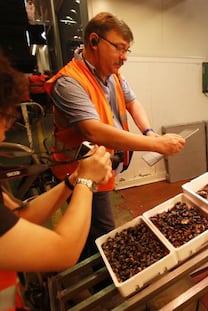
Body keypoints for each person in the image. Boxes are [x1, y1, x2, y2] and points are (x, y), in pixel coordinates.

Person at [45, 12, 186, 260]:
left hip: (102, 167)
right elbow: (93, 130)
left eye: (127, 50)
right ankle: (102, 282)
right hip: (79, 171)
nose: (124, 57)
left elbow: (133, 103)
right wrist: (155, 145)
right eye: (119, 48)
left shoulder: (112, 75)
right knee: (103, 232)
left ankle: (92, 261)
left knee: (90, 227)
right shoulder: (69, 82)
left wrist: (150, 133)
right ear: (94, 41)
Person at [0, 52, 113, 310]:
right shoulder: (69, 80)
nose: (6, 131)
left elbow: (20, 216)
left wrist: (73, 181)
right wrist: (86, 181)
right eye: (4, 120)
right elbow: (64, 252)